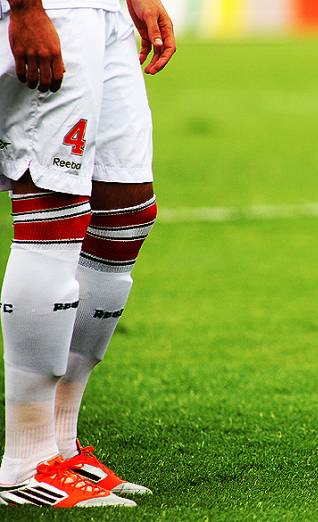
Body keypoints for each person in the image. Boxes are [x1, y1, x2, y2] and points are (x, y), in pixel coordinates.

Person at [0, 0, 174, 508]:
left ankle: (62, 447)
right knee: (53, 205)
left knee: (126, 212)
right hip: (52, 8)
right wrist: (27, 8)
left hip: (104, 13)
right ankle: (25, 463)